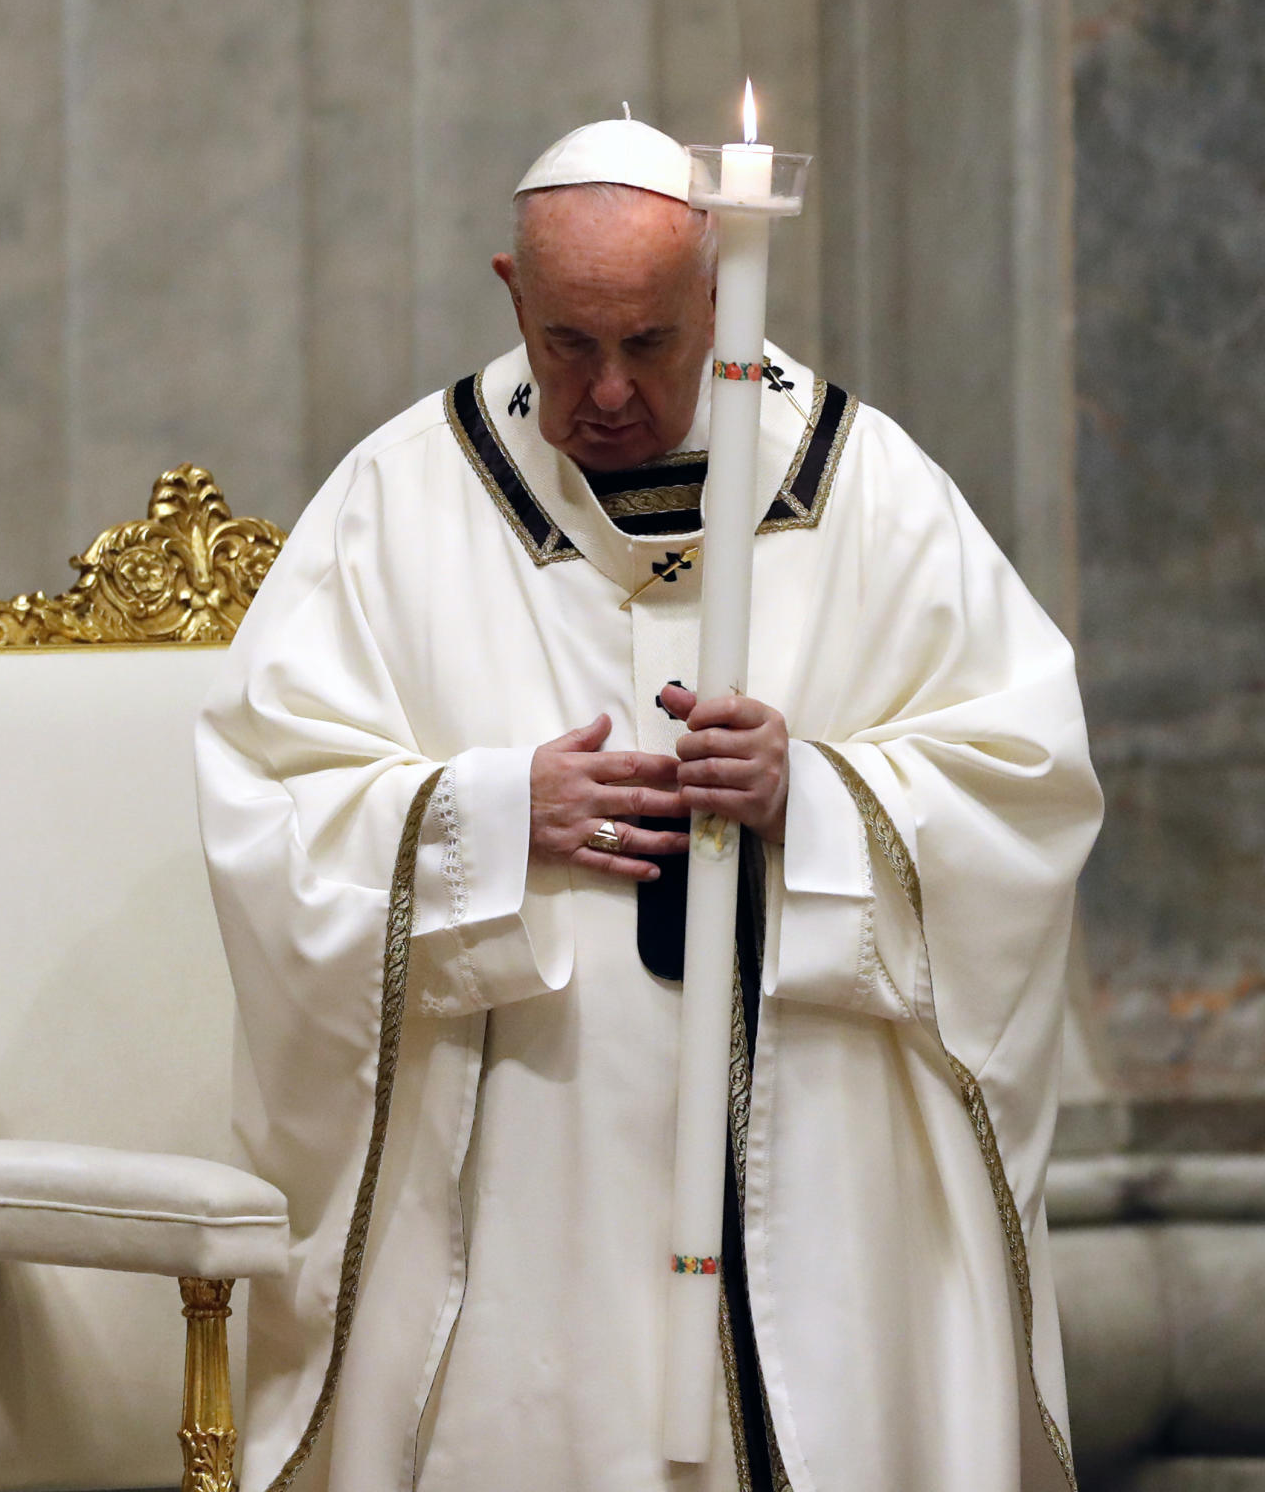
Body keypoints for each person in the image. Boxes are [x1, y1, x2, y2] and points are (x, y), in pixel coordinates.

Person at [196, 115, 1100, 1492]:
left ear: (721, 303)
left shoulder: (863, 489)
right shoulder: (402, 500)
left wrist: (822, 792)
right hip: (524, 1157)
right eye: (569, 345)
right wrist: (493, 816)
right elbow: (267, 806)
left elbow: (1025, 782)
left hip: (816, 1149)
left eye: (650, 344)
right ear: (512, 292)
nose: (608, 391)